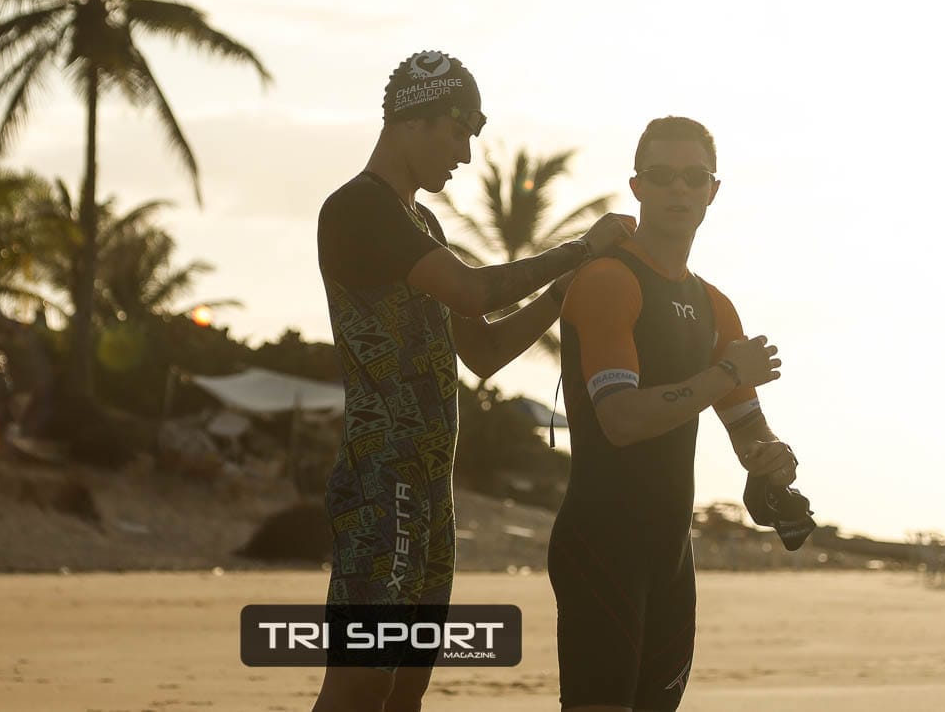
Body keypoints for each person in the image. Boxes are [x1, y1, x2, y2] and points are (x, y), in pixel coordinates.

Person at [310, 51, 634, 712]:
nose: (464, 153)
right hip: (380, 483)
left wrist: (561, 294)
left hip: (433, 493)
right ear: (414, 120)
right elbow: (472, 290)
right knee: (362, 681)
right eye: (458, 132)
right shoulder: (356, 208)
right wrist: (580, 248)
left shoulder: (422, 224)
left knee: (407, 686)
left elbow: (482, 349)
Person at [549, 116, 798, 711]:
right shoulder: (609, 280)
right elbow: (622, 420)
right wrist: (727, 372)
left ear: (714, 190)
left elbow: (747, 427)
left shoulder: (714, 305)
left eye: (694, 177)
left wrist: (771, 460)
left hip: (670, 556)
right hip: (601, 546)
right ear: (637, 186)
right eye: (662, 176)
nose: (679, 189)